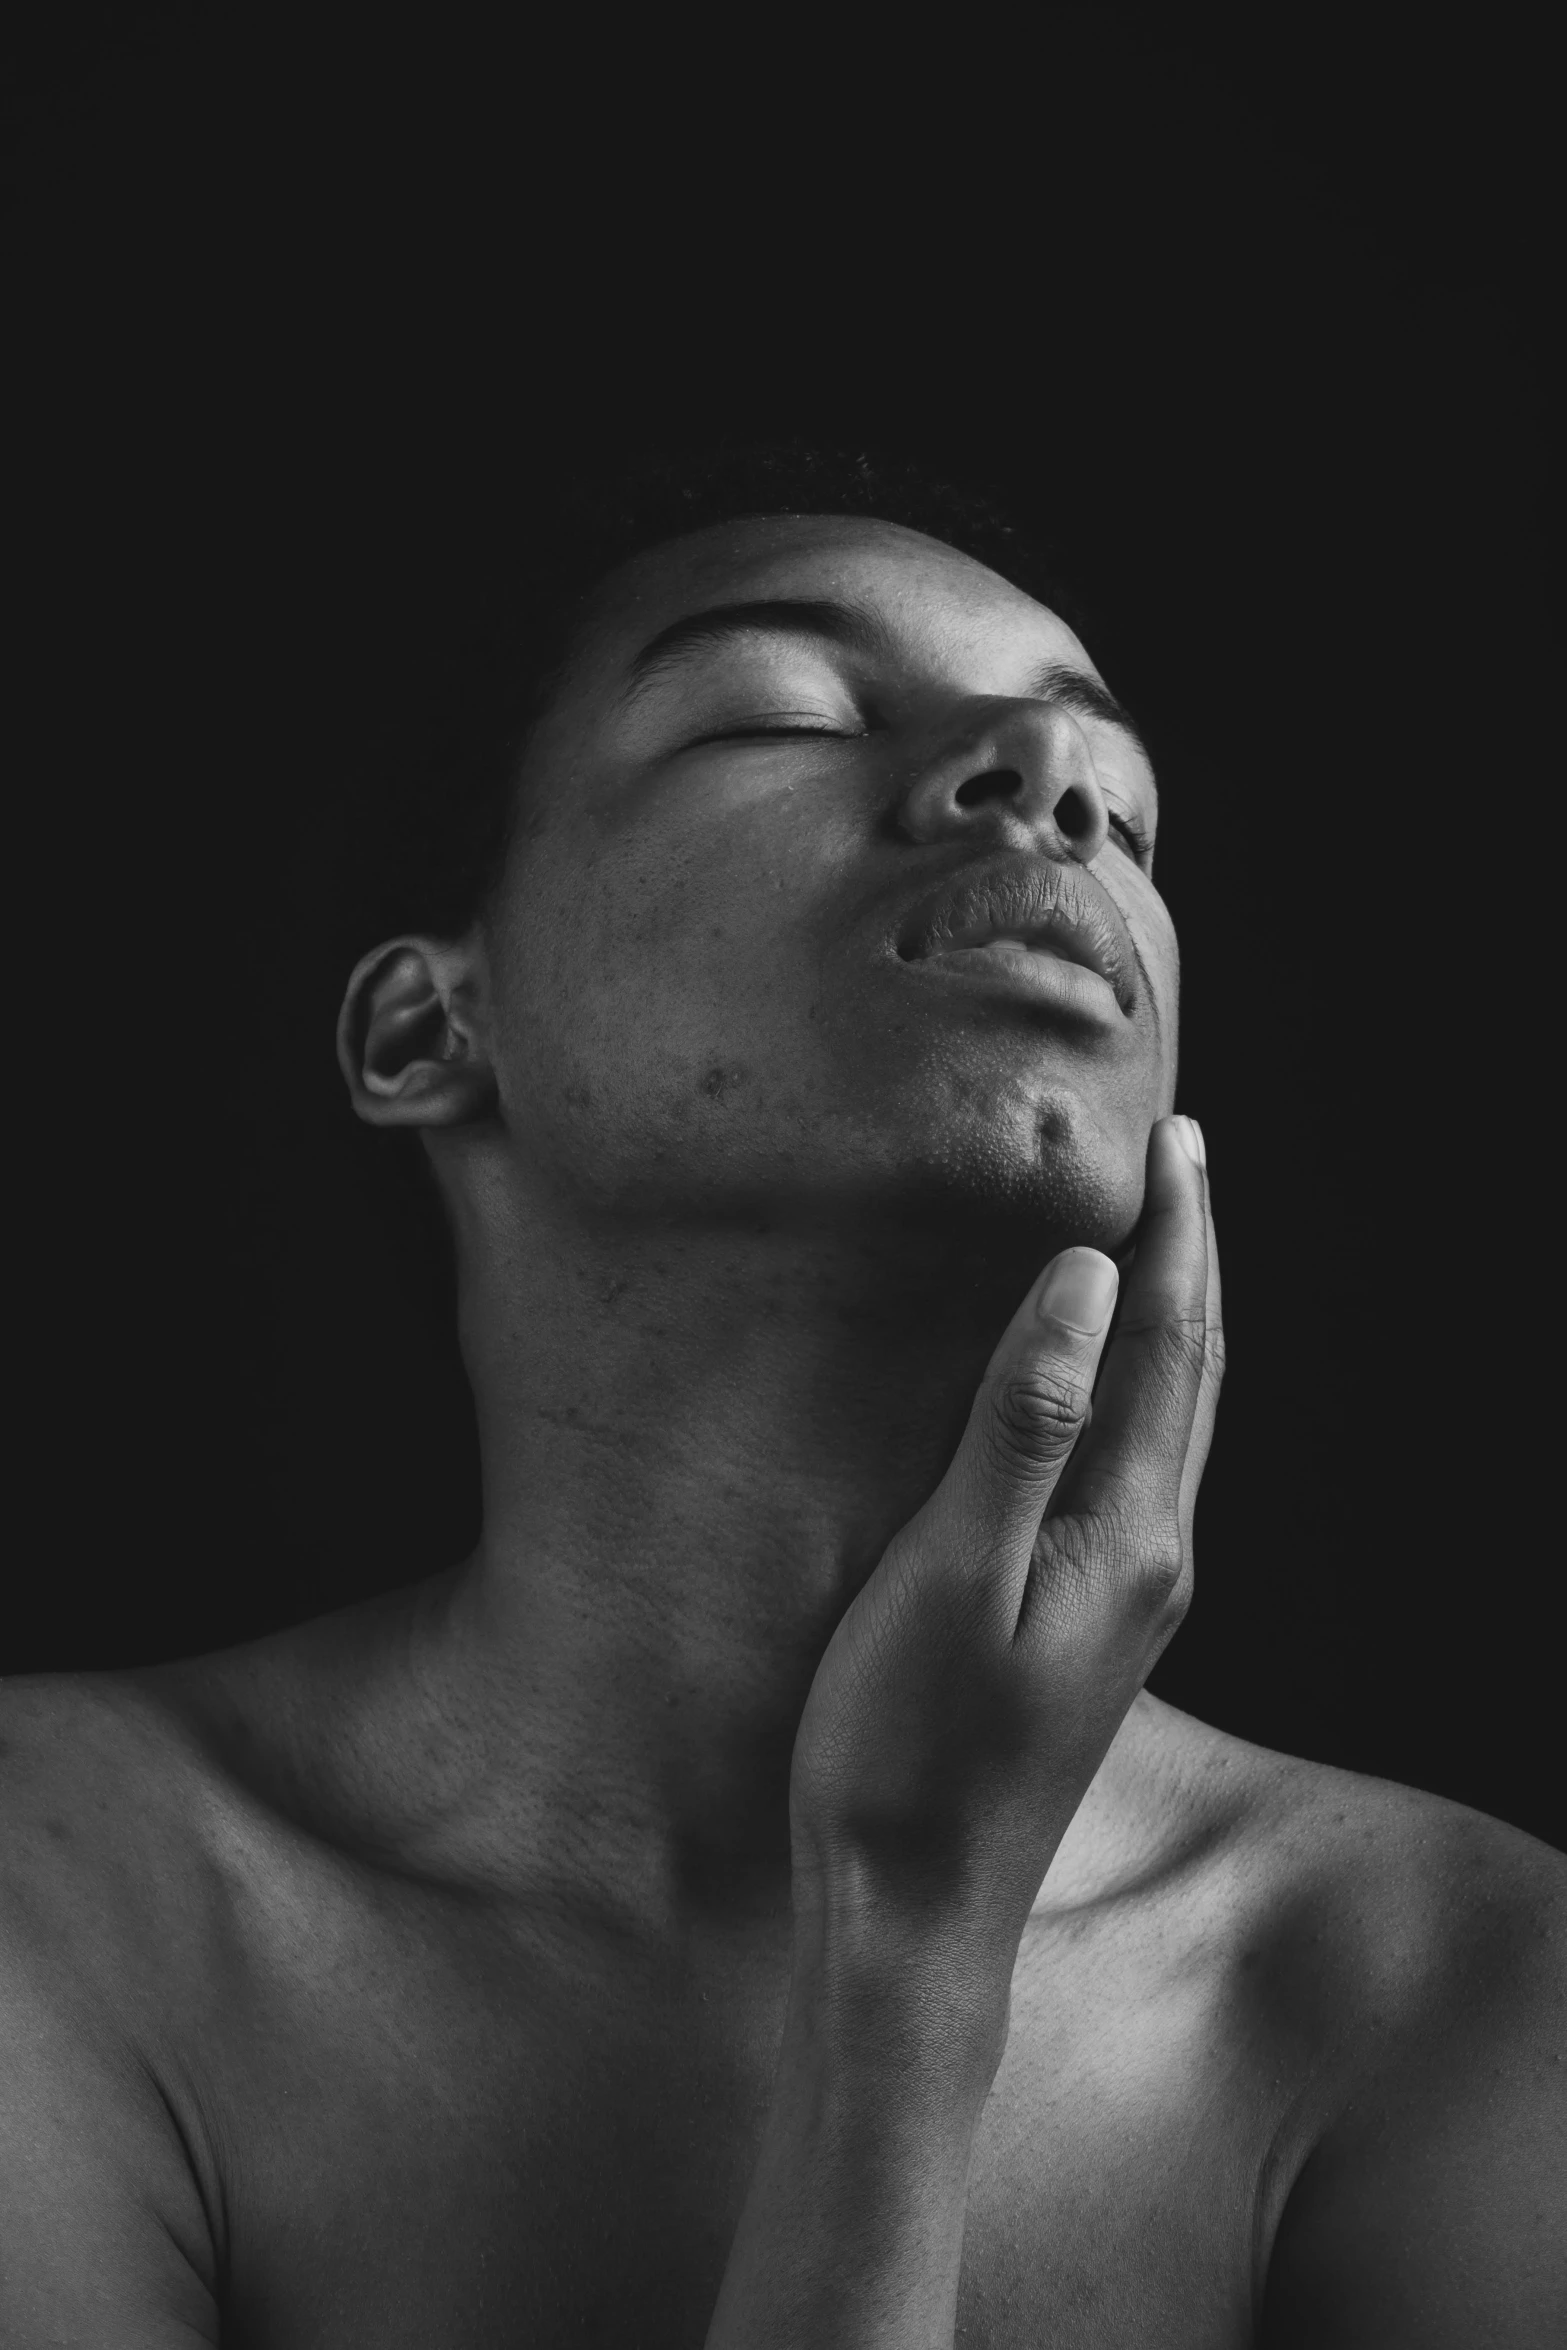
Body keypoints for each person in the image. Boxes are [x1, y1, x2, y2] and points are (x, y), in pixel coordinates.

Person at [2, 448, 1561, 2348]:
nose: (1053, 787)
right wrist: (909, 1949)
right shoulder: (59, 1900)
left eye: (1125, 808)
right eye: (775, 712)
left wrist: (913, 1913)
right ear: (430, 1028)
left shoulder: (1462, 1982)